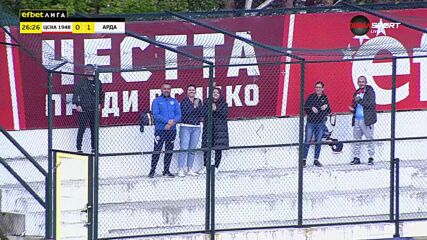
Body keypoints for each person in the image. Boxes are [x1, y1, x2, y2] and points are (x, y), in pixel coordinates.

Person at [148, 83, 182, 178]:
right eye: (164, 89)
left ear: (170, 90)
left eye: (168, 89)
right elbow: (156, 114)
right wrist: (167, 122)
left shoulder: (174, 101)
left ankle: (166, 170)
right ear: (161, 89)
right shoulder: (156, 101)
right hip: (160, 129)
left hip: (172, 130)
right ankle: (152, 170)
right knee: (157, 149)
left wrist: (172, 123)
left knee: (169, 150)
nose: (166, 90)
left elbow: (179, 115)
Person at [72, 64, 104, 153]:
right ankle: (79, 148)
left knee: (94, 130)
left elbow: (101, 94)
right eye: (87, 69)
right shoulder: (81, 82)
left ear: (94, 70)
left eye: (90, 69)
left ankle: (94, 149)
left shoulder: (98, 81)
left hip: (94, 109)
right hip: (84, 109)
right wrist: (77, 105)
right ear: (84, 71)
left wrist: (100, 104)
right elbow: (76, 94)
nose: (89, 71)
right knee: (81, 129)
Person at [199, 88, 229, 174]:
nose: (215, 94)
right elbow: (204, 113)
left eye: (217, 92)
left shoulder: (224, 104)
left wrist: (216, 109)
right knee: (206, 148)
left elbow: (224, 114)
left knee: (218, 148)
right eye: (214, 92)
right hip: (208, 128)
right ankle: (205, 166)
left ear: (220, 94)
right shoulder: (207, 103)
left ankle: (216, 167)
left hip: (219, 130)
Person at [349, 76, 377, 165]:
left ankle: (371, 157)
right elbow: (355, 104)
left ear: (366, 82)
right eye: (359, 82)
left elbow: (370, 104)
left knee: (369, 138)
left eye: (363, 81)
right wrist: (352, 109)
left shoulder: (370, 91)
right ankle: (356, 158)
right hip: (357, 119)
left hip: (366, 120)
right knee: (357, 139)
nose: (361, 83)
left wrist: (360, 100)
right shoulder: (357, 92)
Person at [177, 85, 204, 177]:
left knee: (192, 149)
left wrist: (197, 107)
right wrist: (194, 107)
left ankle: (189, 169)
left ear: (195, 91)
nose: (191, 91)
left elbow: (202, 113)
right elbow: (185, 114)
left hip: (196, 127)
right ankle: (181, 169)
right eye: (190, 90)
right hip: (186, 126)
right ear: (187, 91)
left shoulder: (198, 101)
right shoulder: (184, 101)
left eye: (193, 90)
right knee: (184, 148)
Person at [302, 81, 331, 167]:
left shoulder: (325, 97)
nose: (318, 89)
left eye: (319, 87)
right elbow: (305, 107)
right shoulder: (311, 97)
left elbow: (329, 111)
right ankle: (303, 160)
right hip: (311, 122)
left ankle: (316, 160)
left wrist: (326, 107)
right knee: (307, 140)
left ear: (323, 89)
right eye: (316, 87)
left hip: (320, 123)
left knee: (318, 141)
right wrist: (311, 108)